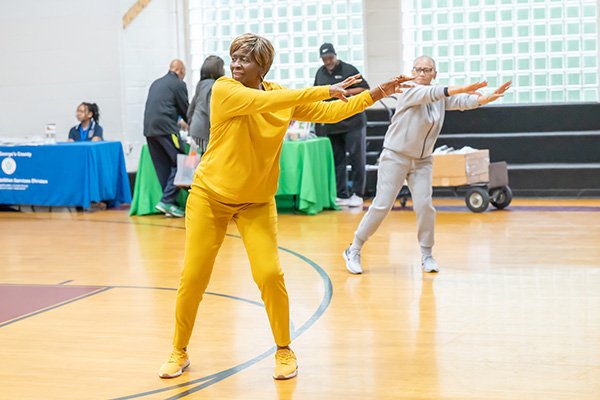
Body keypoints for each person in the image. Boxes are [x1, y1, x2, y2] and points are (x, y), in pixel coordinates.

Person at [158, 33, 414, 381]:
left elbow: (331, 111)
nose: (235, 64)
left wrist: (377, 93)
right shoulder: (223, 89)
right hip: (209, 197)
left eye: (244, 59)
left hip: (256, 202)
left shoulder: (277, 95)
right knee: (193, 277)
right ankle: (179, 349)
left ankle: (283, 350)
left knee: (270, 275)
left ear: (262, 66)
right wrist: (326, 88)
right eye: (234, 57)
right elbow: (280, 102)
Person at [343, 55, 511, 275]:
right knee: (382, 205)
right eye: (418, 69)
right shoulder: (408, 91)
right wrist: (460, 88)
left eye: (427, 70)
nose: (421, 73)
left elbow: (460, 102)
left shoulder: (438, 95)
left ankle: (426, 255)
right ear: (412, 72)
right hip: (395, 156)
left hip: (422, 161)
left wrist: (484, 99)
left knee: (425, 206)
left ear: (434, 74)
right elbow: (434, 93)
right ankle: (354, 248)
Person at [314, 43, 370, 207]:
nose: (328, 61)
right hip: (332, 124)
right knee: (338, 160)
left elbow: (365, 88)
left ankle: (358, 193)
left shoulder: (348, 70)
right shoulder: (320, 73)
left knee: (356, 158)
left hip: (353, 122)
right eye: (325, 59)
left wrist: (347, 92)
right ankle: (342, 194)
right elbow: (316, 92)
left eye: (330, 57)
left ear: (335, 55)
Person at [143, 59, 190, 218]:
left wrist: (178, 122)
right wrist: (192, 124)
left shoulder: (156, 83)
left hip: (150, 130)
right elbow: (185, 108)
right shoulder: (178, 84)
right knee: (182, 161)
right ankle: (167, 201)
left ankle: (168, 203)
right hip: (166, 129)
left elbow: (161, 107)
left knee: (163, 166)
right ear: (181, 71)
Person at [187, 56, 225, 153]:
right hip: (204, 130)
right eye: (223, 67)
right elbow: (212, 111)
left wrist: (191, 124)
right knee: (210, 158)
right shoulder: (214, 86)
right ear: (217, 71)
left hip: (196, 129)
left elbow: (190, 111)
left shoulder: (200, 85)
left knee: (204, 158)